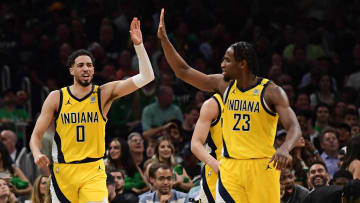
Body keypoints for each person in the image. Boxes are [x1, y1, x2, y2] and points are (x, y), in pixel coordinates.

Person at [157, 9, 301, 203]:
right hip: (230, 167)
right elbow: (183, 71)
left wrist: (284, 148)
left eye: (227, 60)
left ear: (242, 64)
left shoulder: (271, 92)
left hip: (261, 167)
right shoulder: (223, 85)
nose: (222, 64)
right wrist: (165, 40)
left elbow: (294, 127)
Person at [29, 17, 155, 202]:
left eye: (89, 65)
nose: (86, 68)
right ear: (71, 70)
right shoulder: (57, 97)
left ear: (94, 70)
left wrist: (139, 46)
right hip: (63, 172)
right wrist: (36, 153)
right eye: (80, 65)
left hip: (93, 171)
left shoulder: (104, 94)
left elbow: (147, 77)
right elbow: (36, 135)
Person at [191, 93, 223, 203]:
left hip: (245, 169)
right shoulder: (213, 103)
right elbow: (195, 144)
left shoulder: (255, 97)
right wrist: (215, 164)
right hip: (217, 170)